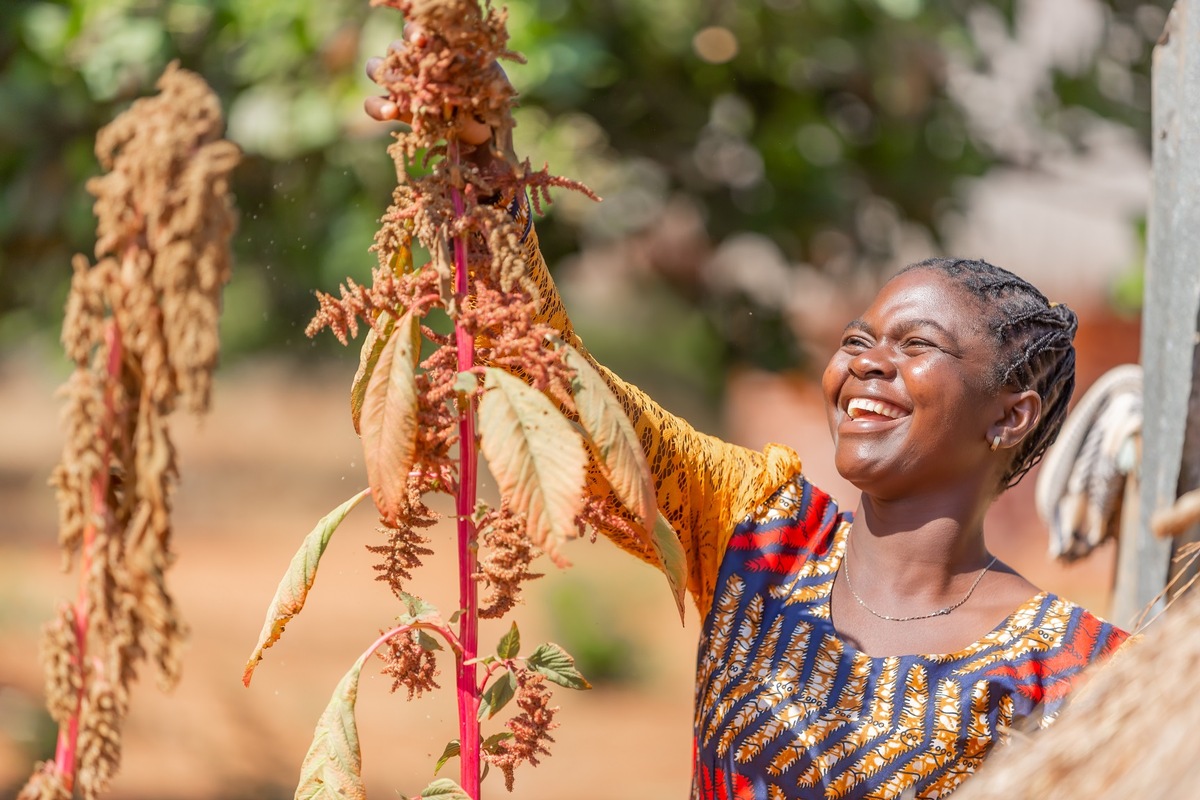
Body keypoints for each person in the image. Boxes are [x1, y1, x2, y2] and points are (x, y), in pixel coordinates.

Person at [364, 42, 1128, 800]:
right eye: (857, 341)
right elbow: (567, 398)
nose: (864, 362)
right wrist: (488, 178)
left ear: (1010, 415)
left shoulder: (1075, 672)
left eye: (916, 346)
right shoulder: (760, 536)